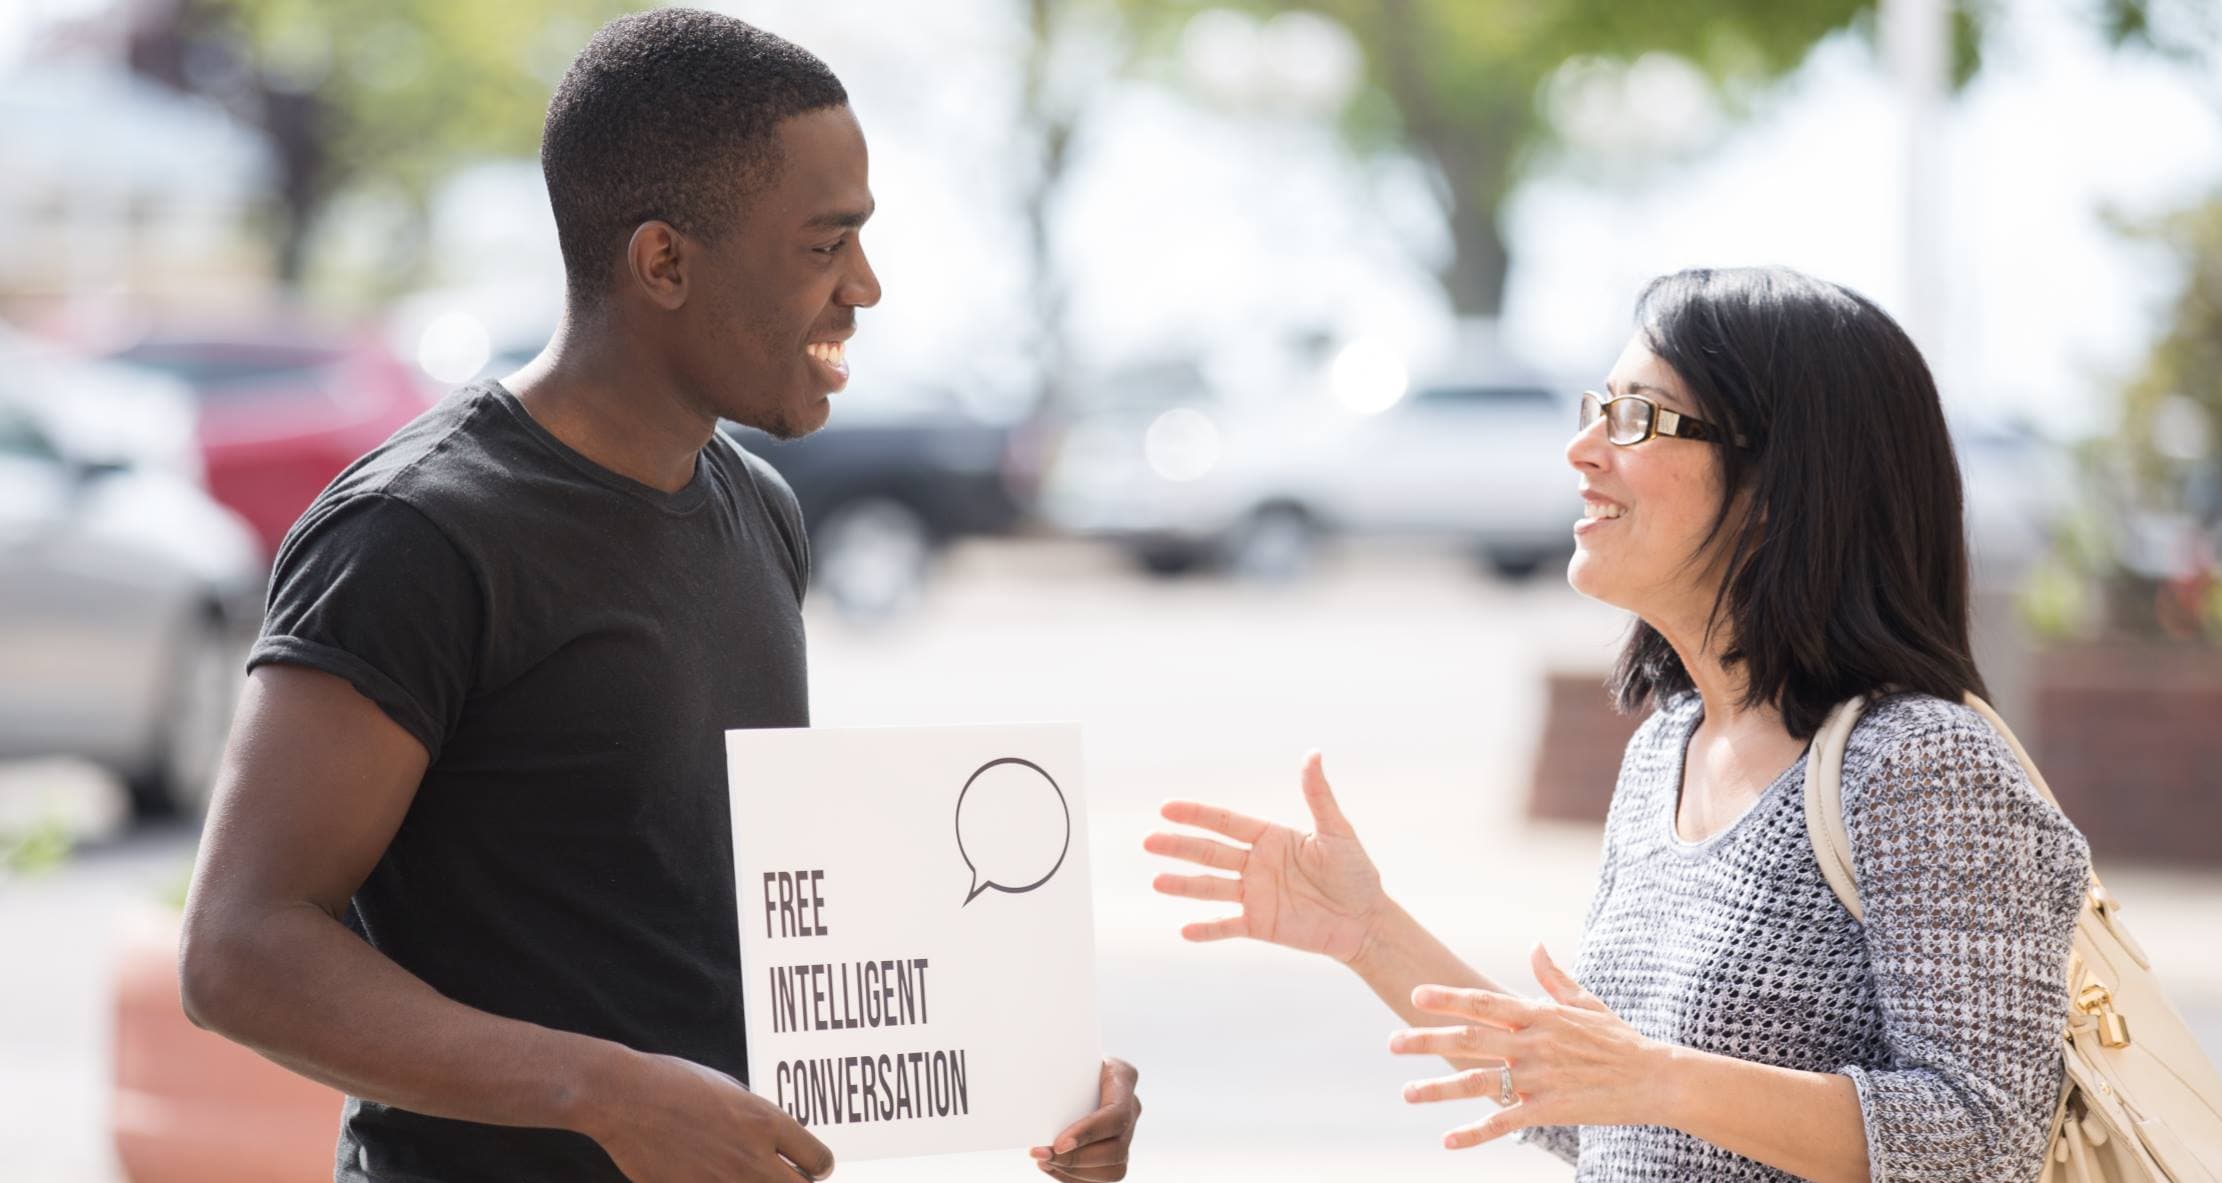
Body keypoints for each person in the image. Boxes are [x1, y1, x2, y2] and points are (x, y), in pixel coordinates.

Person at [178, 11, 1139, 1182]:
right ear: (664, 262)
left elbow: (726, 914)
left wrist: (1020, 1072)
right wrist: (599, 1093)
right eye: (824, 244)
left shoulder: (759, 509)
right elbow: (239, 949)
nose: (867, 288)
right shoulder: (419, 533)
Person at [1147, 266, 2090, 1182]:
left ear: (1781, 479)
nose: (1583, 449)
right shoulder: (1664, 751)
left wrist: (1659, 1079)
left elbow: (1982, 1141)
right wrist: (1367, 931)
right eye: (1594, 410)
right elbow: (1607, 1120)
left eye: (1636, 416)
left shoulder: (1920, 763)